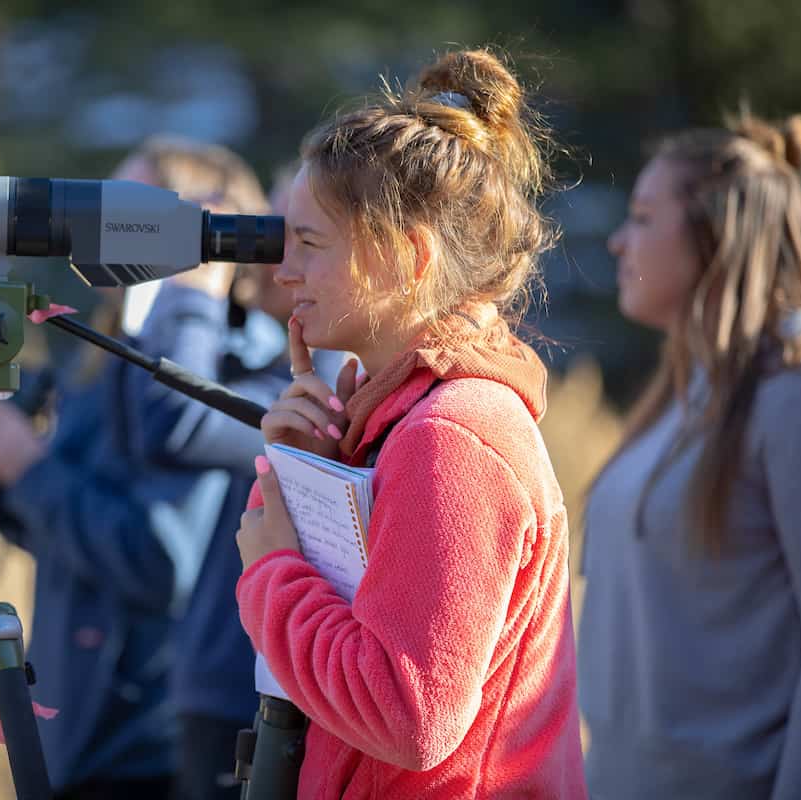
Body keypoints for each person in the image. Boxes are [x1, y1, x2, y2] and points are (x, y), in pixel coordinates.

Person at [232, 48, 587, 798]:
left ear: (407, 256)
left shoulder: (449, 438)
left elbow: (408, 715)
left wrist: (271, 573)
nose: (282, 271)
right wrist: (312, 477)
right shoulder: (406, 422)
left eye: (310, 244)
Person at [0, 136, 273, 799]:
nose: (90, 227)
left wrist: (27, 470)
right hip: (79, 728)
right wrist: (7, 477)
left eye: (121, 209)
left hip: (145, 740)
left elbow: (160, 561)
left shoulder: (219, 373)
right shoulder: (106, 356)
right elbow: (65, 544)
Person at [578, 110, 801, 798]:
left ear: (717, 235)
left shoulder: (797, 396)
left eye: (642, 217)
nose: (617, 240)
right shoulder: (678, 396)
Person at [127, 163, 344, 800]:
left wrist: (194, 285)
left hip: (252, 693)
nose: (275, 262)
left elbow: (180, 420)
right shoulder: (267, 358)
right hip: (217, 683)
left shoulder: (326, 378)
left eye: (300, 238)